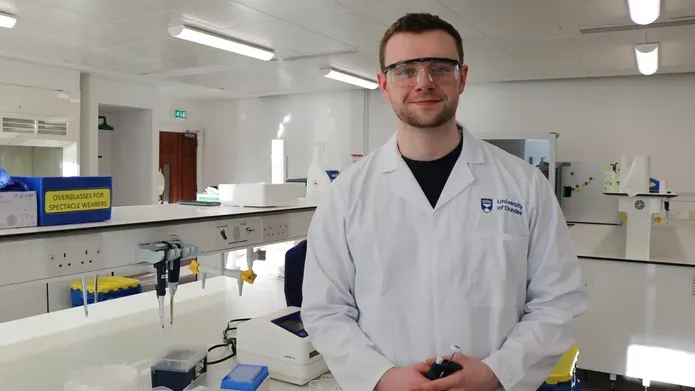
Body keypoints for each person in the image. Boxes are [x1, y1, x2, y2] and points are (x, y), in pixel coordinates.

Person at [300, 12, 587, 391]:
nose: (424, 83)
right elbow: (326, 310)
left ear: (462, 78)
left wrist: (497, 372)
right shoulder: (346, 194)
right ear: (384, 84)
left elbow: (557, 302)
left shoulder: (524, 185)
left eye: (439, 67)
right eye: (405, 70)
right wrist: (381, 377)